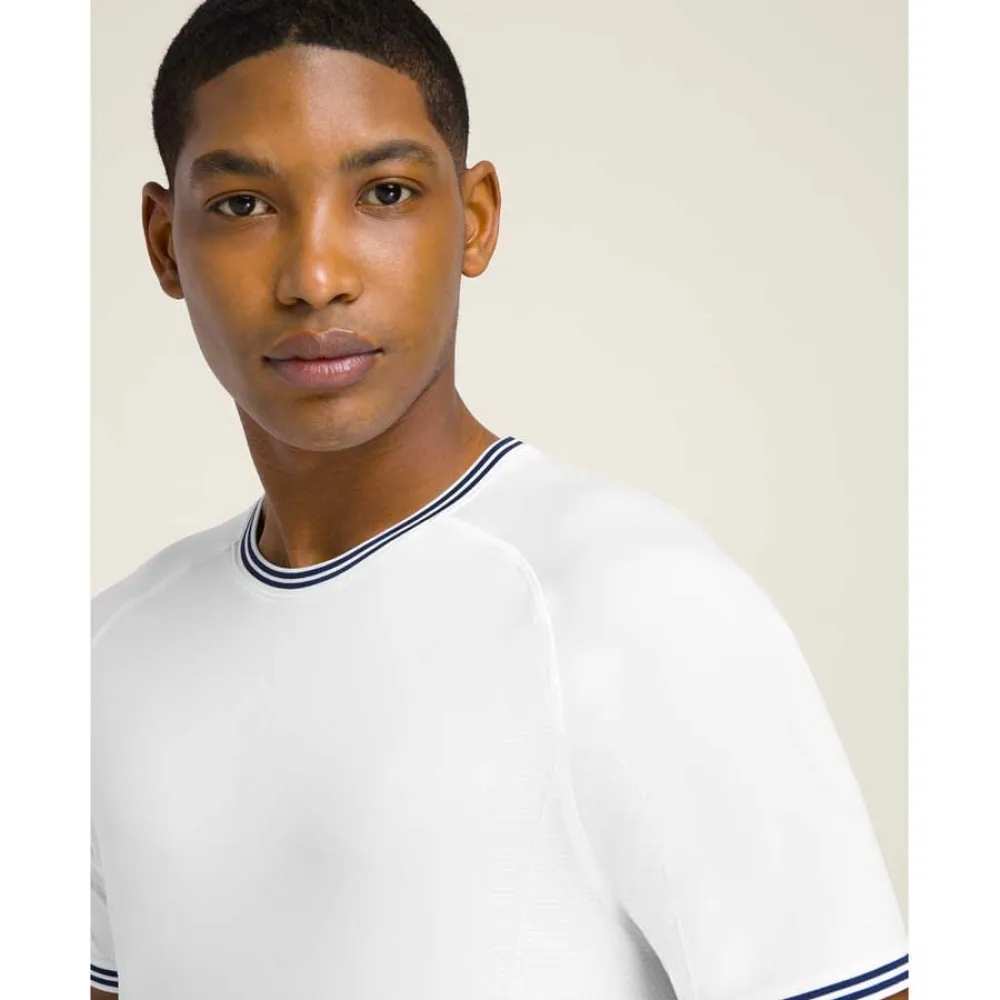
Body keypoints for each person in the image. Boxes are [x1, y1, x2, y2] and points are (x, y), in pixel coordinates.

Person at [91, 1, 909, 998]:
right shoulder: (105, 656)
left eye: (385, 192)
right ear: (163, 242)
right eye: (243, 205)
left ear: (473, 219)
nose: (315, 276)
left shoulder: (637, 608)